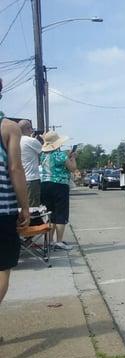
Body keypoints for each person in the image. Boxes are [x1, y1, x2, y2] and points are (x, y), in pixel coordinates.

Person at [0, 78, 30, 305]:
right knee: (2, 269)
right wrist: (26, 208)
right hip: (3, 209)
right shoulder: (8, 127)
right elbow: (15, 168)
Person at [40, 131, 77, 250]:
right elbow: (72, 168)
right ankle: (59, 241)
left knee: (49, 212)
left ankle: (50, 241)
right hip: (59, 184)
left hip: (44, 184)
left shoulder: (42, 155)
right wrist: (73, 158)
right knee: (61, 212)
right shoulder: (61, 155)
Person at [18, 119, 42, 207]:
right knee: (32, 207)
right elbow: (43, 152)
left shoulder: (15, 141)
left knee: (20, 207)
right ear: (29, 129)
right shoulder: (31, 141)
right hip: (31, 179)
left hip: (18, 179)